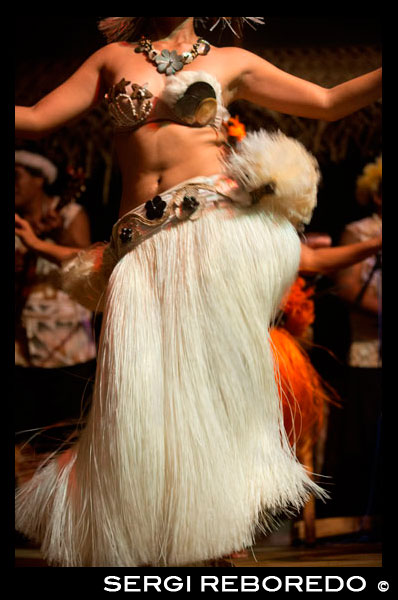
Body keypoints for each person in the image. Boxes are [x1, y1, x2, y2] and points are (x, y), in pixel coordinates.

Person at [15, 17, 382, 567]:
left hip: (213, 232)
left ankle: (220, 538)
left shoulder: (233, 60)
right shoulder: (110, 58)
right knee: (139, 393)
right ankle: (159, 535)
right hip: (138, 245)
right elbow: (37, 118)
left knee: (207, 386)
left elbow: (326, 102)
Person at [15, 150, 97, 459]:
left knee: (61, 440)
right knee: (23, 437)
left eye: (17, 176)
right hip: (22, 345)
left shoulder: (70, 214)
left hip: (66, 345)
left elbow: (85, 263)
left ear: (39, 179)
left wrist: (51, 236)